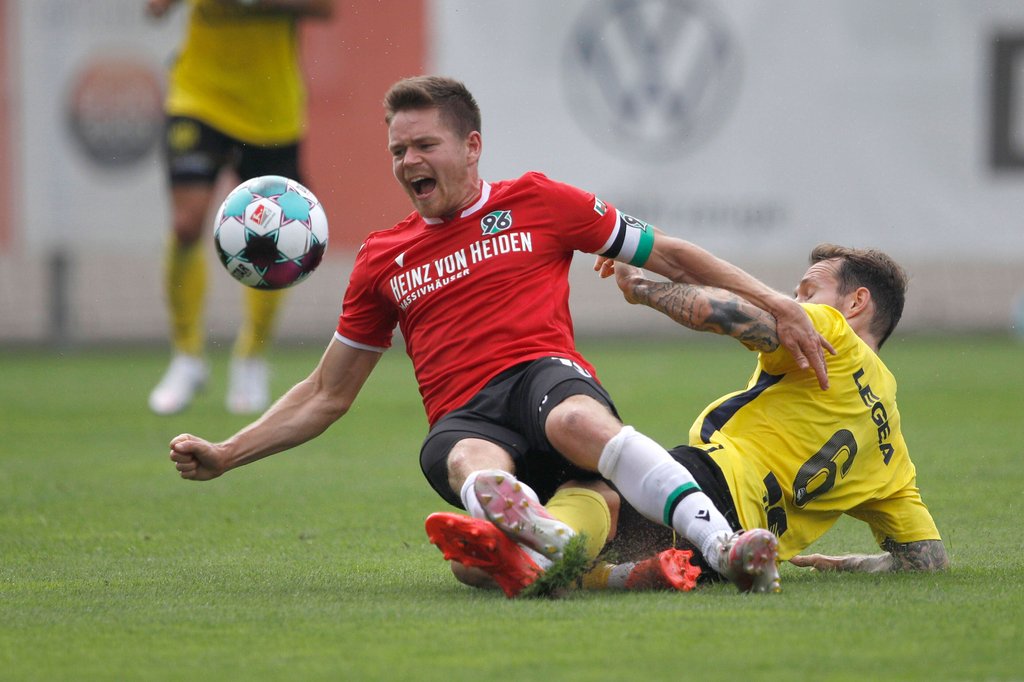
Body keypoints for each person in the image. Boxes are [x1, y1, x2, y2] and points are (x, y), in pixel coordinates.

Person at [168, 75, 834, 596]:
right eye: (397, 150)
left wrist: (775, 301)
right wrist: (228, 453)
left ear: (471, 147)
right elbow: (325, 394)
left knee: (577, 422)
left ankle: (722, 547)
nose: (408, 162)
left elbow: (669, 255)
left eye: (424, 145)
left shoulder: (539, 201)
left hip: (542, 376)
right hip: (465, 414)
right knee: (469, 464)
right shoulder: (381, 260)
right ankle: (537, 533)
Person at [591, 244, 948, 578]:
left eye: (807, 293)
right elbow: (929, 561)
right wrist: (846, 563)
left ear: (856, 303)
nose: (794, 304)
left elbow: (723, 312)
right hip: (730, 556)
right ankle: (621, 575)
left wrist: (638, 286)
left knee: (575, 487)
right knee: (591, 558)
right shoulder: (891, 452)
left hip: (707, 487)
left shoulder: (831, 330)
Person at [146, 0, 334, 415]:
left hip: (271, 109)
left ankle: (251, 357)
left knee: (275, 237)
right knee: (186, 223)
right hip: (199, 97)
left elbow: (325, 7)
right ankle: (187, 356)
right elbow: (154, 9)